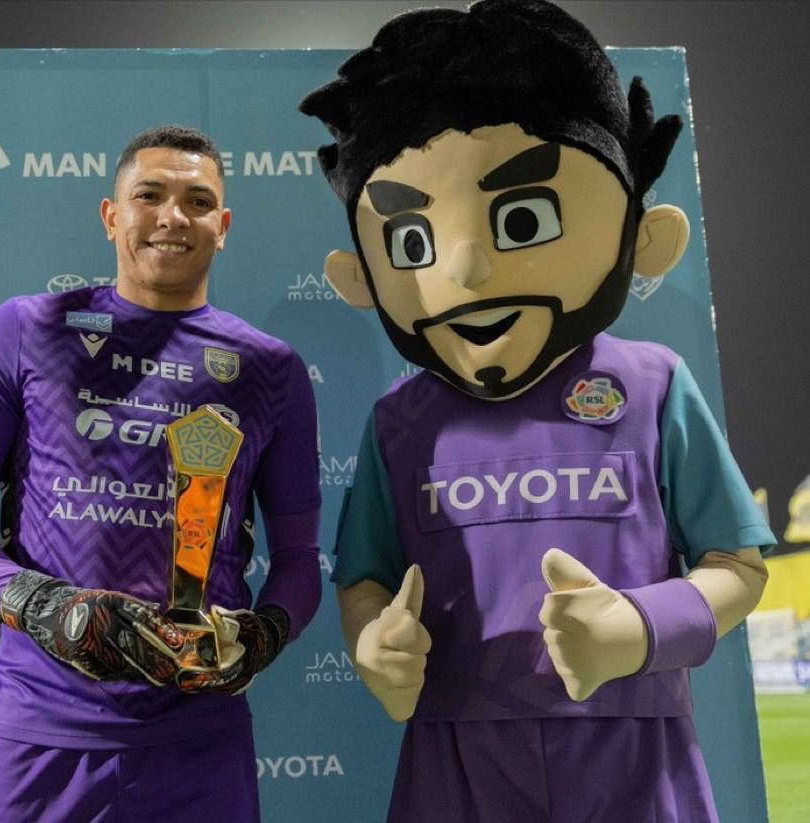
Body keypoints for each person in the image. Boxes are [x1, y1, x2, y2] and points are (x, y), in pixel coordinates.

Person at [300, 1, 773, 820]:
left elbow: (736, 563)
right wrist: (374, 644)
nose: (469, 270)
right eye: (412, 241)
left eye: (522, 220)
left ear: (641, 235)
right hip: (455, 750)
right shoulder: (401, 419)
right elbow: (363, 576)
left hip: (632, 746)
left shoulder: (652, 384)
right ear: (360, 275)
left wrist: (638, 625)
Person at [0, 124, 322, 823]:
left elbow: (300, 561)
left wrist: (265, 635)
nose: (172, 217)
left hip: (200, 738)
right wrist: (47, 607)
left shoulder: (270, 369)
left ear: (222, 228)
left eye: (197, 202)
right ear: (111, 216)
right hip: (41, 730)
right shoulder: (27, 328)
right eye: (149, 195)